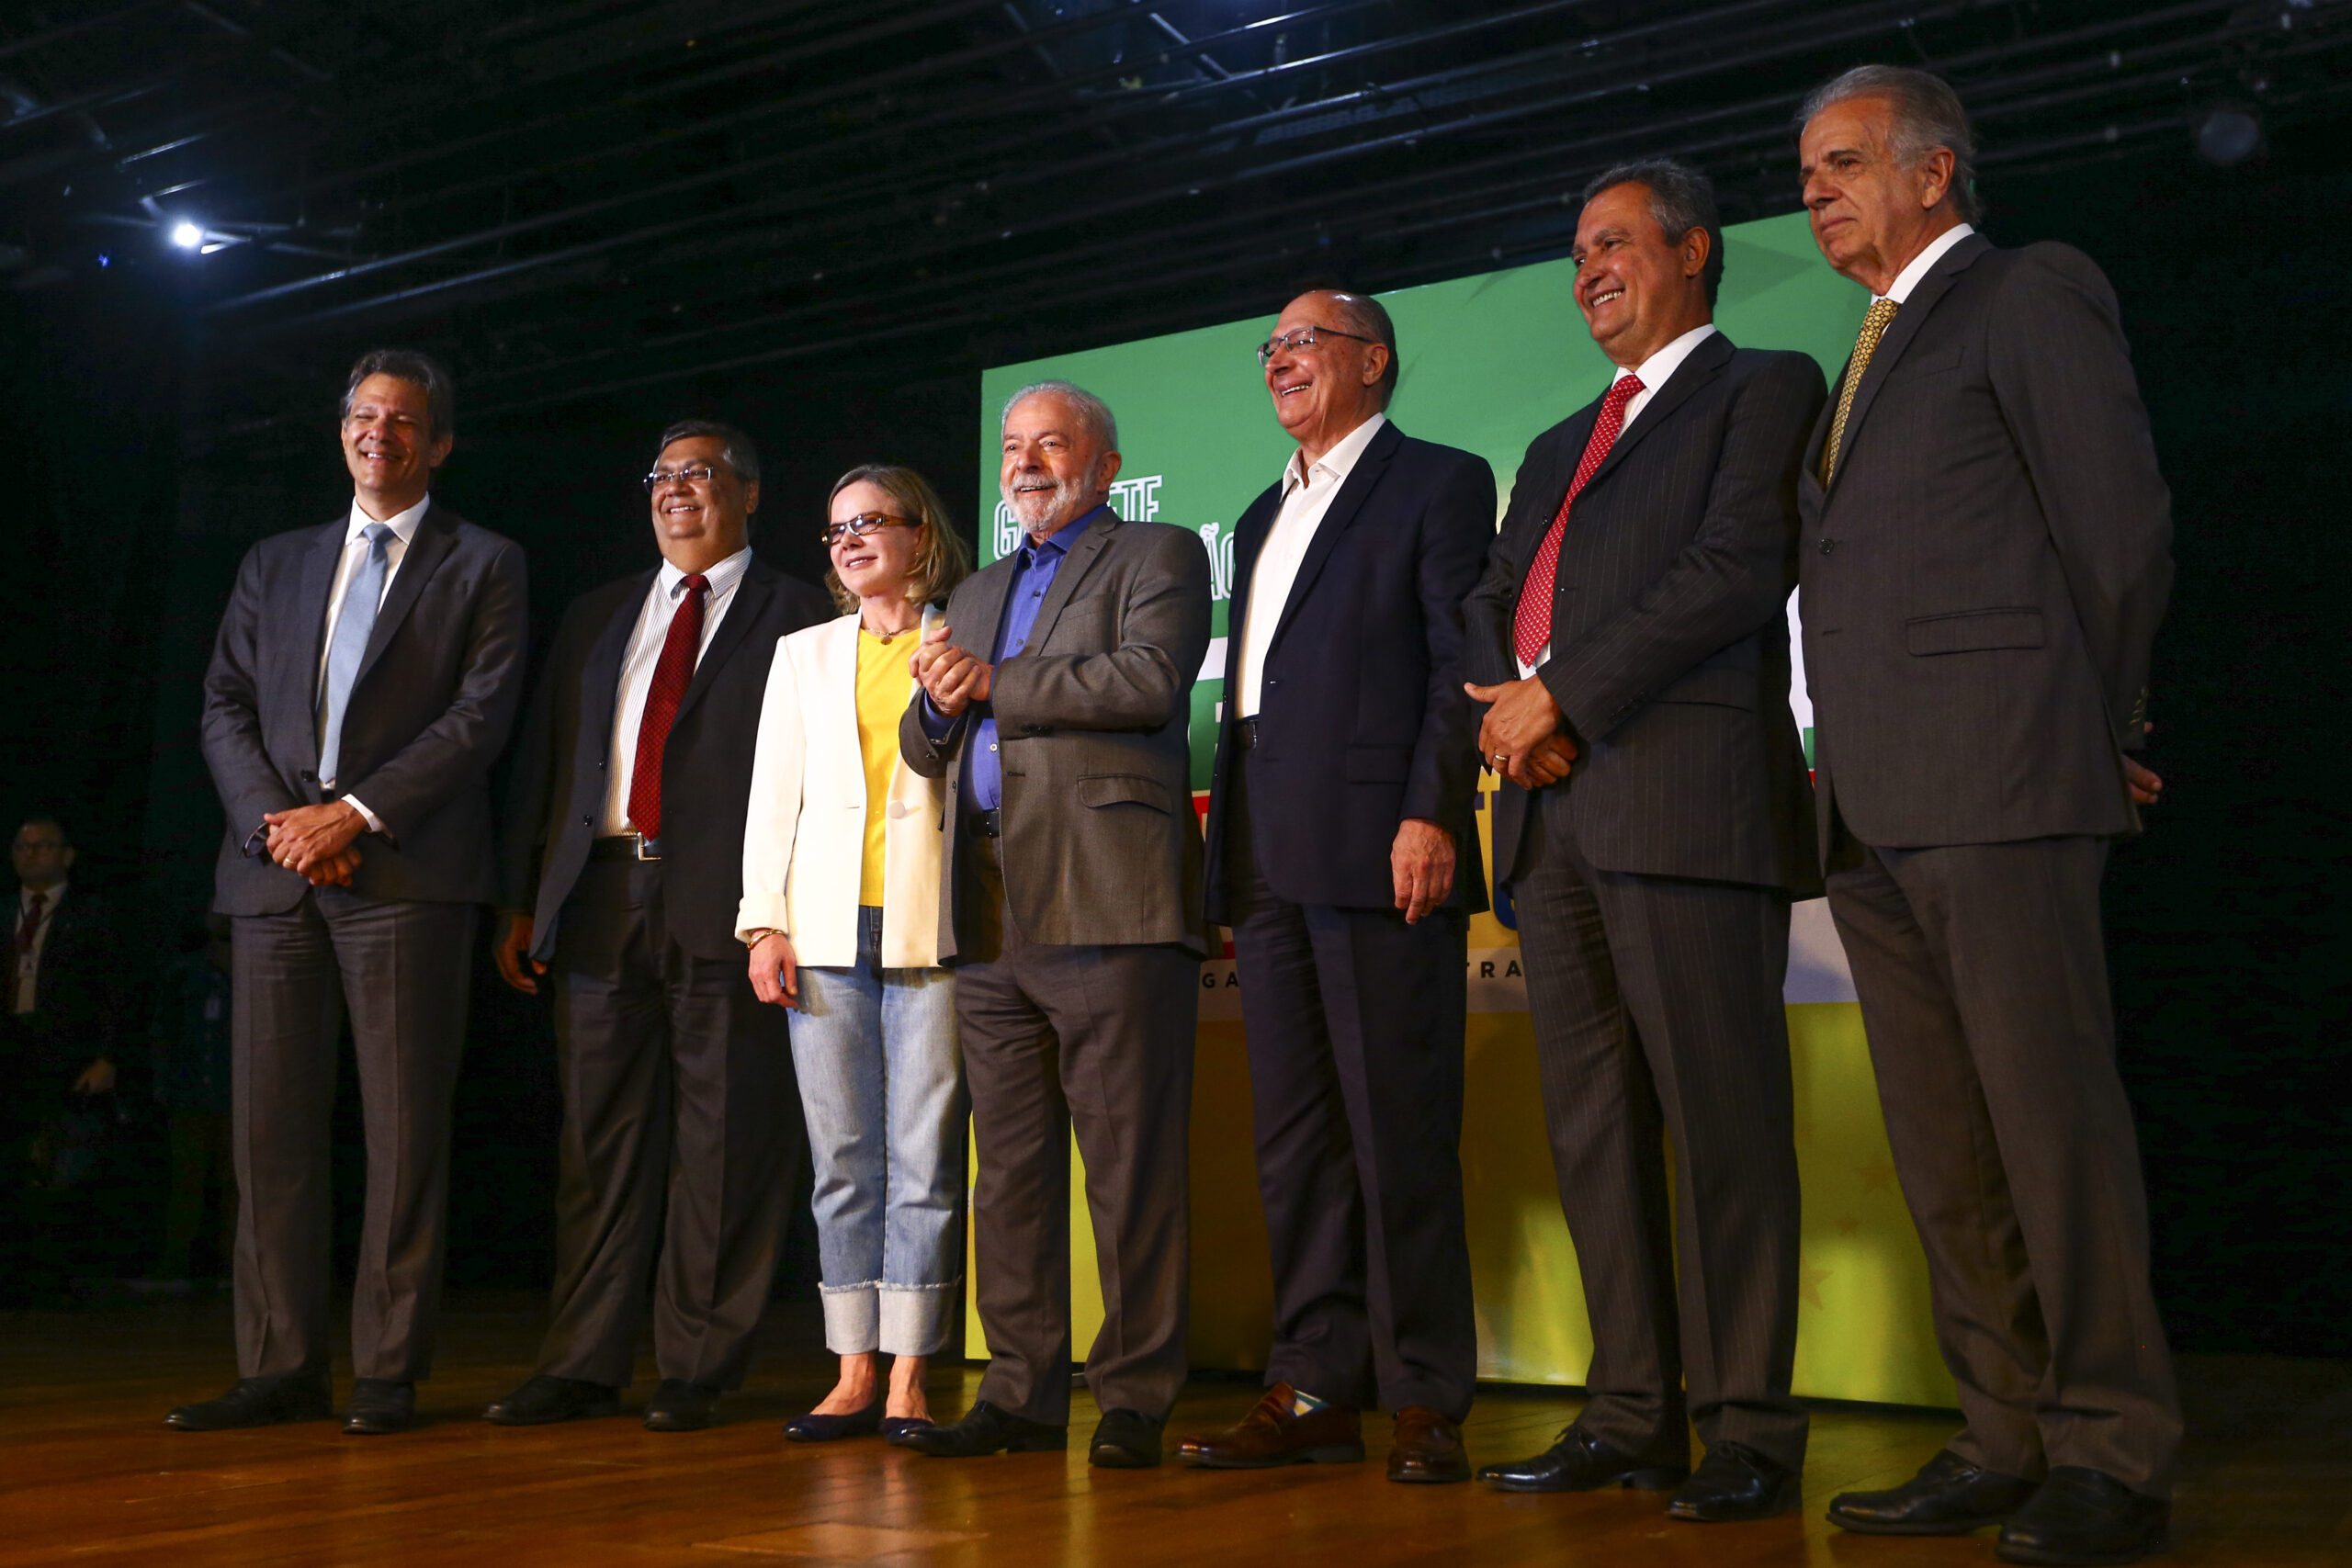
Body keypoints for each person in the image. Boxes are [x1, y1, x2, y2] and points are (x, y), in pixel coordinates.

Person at [1792, 66, 2179, 1566]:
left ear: (1935, 170)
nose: (1814, 190)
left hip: (2004, 787)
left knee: (2051, 1136)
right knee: (1949, 1154)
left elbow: (2120, 532)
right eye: (1807, 169)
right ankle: (2005, 1432)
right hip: (1877, 811)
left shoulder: (2026, 293)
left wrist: (2096, 727)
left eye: (1841, 163)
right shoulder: (1866, 351)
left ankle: (2114, 1453)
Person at [1460, 160, 1826, 1525]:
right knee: (1595, 1129)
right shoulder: (1559, 442)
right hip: (1551, 818)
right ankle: (1631, 1410)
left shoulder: (1765, 385)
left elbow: (1733, 568)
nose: (1588, 269)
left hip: (1683, 805)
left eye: (1613, 243)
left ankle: (1749, 1424)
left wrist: (1570, 693)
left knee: (1724, 1126)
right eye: (1573, 253)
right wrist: (1518, 717)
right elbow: (1492, 598)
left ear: (1693, 252)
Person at [178, 349, 529, 1437]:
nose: (381, 432)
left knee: (403, 1132)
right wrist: (281, 830)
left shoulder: (486, 561)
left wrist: (355, 814)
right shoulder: (274, 561)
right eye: (364, 415)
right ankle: (277, 1366)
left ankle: (385, 1371)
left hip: (406, 877)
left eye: (406, 419)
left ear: (440, 442)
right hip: (274, 877)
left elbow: (479, 718)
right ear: (342, 433)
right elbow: (224, 705)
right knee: (268, 1136)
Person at [1179, 291, 1492, 1483]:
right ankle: (1311, 1381)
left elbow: (1457, 654)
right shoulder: (1265, 509)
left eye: (1305, 343)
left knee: (1398, 1134)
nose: (1281, 363)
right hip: (1265, 856)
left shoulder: (1438, 480)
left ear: (1375, 359)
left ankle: (1425, 1395)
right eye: (1271, 349)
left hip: (1377, 847)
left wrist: (1431, 806)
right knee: (1294, 1143)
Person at [488, 420, 830, 1434]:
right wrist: (522, 896)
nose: (676, 490)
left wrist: (783, 910)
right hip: (596, 899)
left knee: (726, 1139)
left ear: (750, 494)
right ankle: (582, 1363)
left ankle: (697, 1364)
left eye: (702, 474)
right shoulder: (598, 615)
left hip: (730, 906)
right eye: (662, 476)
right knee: (598, 1143)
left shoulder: (802, 615)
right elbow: (547, 764)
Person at [895, 380, 1212, 1470]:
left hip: (1108, 896)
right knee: (1011, 1170)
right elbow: (924, 741)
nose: (1027, 463)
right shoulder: (975, 589)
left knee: (1129, 1169)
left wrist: (993, 681)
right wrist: (937, 704)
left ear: (1105, 463)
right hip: (986, 907)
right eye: (1013, 447)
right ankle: (1021, 1392)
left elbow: (1149, 681)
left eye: (1052, 443)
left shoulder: (1159, 554)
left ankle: (1133, 1395)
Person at [739, 464, 973, 1445]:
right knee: (841, 1159)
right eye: (838, 530)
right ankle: (850, 1370)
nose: (853, 540)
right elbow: (772, 796)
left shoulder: (966, 634)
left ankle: (912, 1374)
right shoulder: (804, 652)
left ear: (922, 534)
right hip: (825, 929)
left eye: (874, 522)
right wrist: (763, 921)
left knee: (922, 1158)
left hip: (933, 925)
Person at [6, 815, 127, 1192]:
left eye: (43, 846)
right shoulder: (5, 911)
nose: (31, 854)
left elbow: (117, 990)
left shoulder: (95, 914)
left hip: (70, 1056)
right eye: (23, 847)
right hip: (9, 1050)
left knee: (66, 1170)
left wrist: (108, 1057)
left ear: (67, 855)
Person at [147, 917, 237, 1289]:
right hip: (189, 1096)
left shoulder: (252, 971)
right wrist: (164, 1082)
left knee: (235, 1183)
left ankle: (234, 1267)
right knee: (187, 1180)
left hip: (234, 1095)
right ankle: (175, 1267)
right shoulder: (185, 974)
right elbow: (163, 1031)